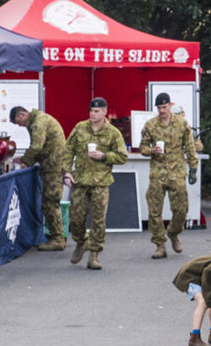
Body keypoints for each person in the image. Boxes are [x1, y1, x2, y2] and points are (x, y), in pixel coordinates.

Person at [63, 97, 128, 270]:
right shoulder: (80, 128)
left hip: (101, 182)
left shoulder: (112, 132)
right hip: (80, 180)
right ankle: (81, 242)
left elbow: (122, 156)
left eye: (97, 111)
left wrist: (104, 156)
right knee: (76, 218)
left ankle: (94, 254)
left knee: (99, 220)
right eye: (91, 110)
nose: (93, 114)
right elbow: (68, 150)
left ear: (105, 112)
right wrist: (67, 172)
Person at [139, 92, 198, 259]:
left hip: (177, 172)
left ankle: (173, 232)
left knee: (181, 209)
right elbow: (142, 146)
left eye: (164, 107)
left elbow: (190, 147)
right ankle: (160, 244)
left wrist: (193, 169)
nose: (162, 111)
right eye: (159, 108)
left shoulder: (181, 123)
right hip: (157, 173)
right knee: (154, 211)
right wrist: (151, 150)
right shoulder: (150, 125)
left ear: (170, 105)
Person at [10, 106, 68, 251]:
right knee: (51, 201)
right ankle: (58, 234)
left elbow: (36, 146)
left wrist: (26, 161)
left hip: (53, 165)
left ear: (23, 114)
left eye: (19, 121)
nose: (20, 125)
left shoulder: (37, 122)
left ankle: (57, 239)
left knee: (50, 202)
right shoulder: (40, 118)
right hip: (54, 163)